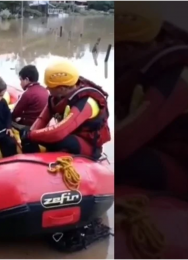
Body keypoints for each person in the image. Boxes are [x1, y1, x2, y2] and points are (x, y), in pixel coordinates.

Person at [115, 2, 188, 196]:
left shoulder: (180, 76)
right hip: (165, 152)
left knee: (132, 164)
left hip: (181, 170)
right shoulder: (141, 69)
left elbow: (124, 144)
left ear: (128, 47)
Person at [19, 60, 111, 159]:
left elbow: (60, 132)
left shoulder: (86, 103)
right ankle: (31, 161)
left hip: (88, 146)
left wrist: (31, 135)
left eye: (49, 86)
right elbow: (43, 119)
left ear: (61, 88)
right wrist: (29, 134)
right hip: (71, 135)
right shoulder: (57, 98)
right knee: (27, 133)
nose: (47, 88)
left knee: (60, 141)